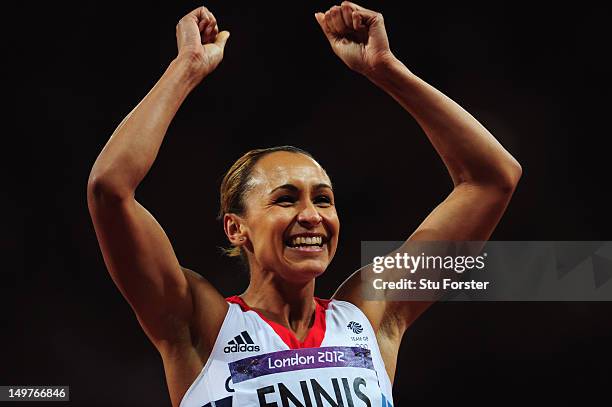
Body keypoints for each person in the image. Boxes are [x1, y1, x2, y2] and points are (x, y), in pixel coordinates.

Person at [87, 2, 521, 406]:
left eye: (324, 199)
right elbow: (110, 189)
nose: (311, 215)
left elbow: (492, 179)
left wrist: (387, 70)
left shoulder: (372, 315)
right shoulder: (200, 324)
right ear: (236, 228)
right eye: (285, 199)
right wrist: (185, 69)